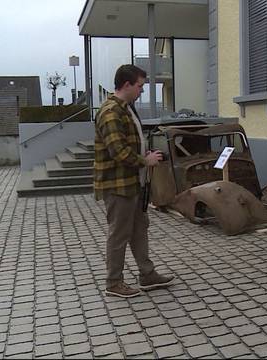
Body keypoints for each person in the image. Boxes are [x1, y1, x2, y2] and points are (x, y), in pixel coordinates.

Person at [94, 64, 174, 298]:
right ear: (127, 85)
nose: (141, 91)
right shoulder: (111, 112)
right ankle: (113, 283)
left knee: (139, 229)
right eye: (139, 86)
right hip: (118, 186)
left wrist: (145, 156)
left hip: (132, 184)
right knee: (119, 233)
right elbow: (118, 151)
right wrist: (145, 160)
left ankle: (147, 275)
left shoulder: (126, 108)